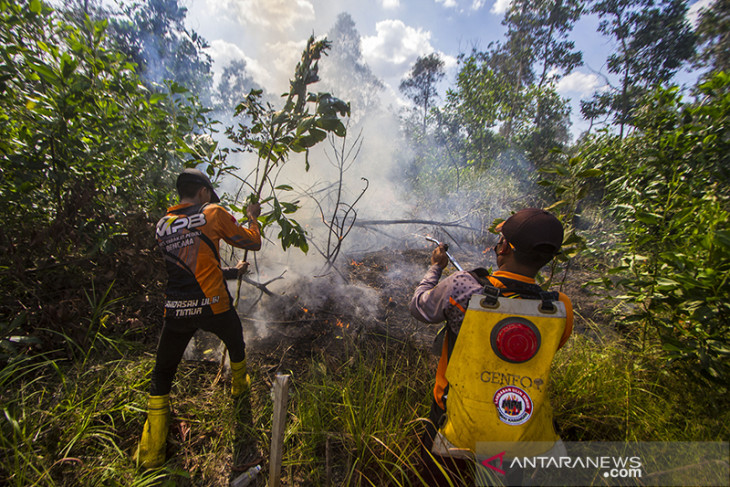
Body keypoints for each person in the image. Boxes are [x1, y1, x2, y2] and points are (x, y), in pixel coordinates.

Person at [409, 208, 573, 485]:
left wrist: (436, 267)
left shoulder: (463, 286)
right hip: (514, 423)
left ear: (505, 246)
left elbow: (419, 308)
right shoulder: (560, 307)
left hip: (452, 414)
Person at [136, 168, 262, 468]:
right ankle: (240, 395)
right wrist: (252, 216)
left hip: (176, 310)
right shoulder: (212, 212)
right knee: (236, 344)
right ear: (204, 191)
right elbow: (252, 242)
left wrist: (232, 273)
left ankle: (150, 454)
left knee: (162, 373)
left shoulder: (163, 224)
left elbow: (191, 267)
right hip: (213, 306)